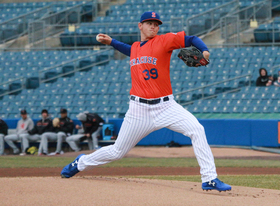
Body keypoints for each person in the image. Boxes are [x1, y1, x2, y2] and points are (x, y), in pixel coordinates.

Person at [61, 11, 231, 192]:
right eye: (149, 23)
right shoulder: (135, 47)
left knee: (197, 130)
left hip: (166, 106)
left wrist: (205, 50)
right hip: (138, 110)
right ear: (140, 25)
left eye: (156, 24)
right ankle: (81, 162)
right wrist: (111, 42)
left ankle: (209, 178)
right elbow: (130, 50)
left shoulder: (164, 41)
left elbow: (191, 38)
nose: (154, 26)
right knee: (117, 151)